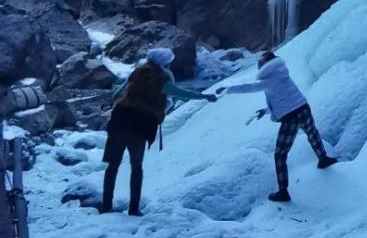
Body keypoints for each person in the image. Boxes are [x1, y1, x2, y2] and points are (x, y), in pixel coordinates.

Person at [100, 46, 203, 216]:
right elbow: (182, 94)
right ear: (165, 63)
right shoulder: (161, 79)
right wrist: (204, 97)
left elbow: (116, 94)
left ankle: (106, 206)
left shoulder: (136, 73)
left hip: (119, 121)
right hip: (139, 126)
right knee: (136, 167)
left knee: (112, 167)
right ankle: (133, 209)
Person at [227, 48, 335, 203]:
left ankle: (283, 192)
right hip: (304, 108)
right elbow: (282, 98)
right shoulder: (282, 74)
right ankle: (323, 159)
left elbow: (249, 87)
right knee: (312, 134)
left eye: (260, 64)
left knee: (280, 154)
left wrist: (229, 89)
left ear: (264, 66)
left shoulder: (268, 80)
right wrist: (265, 111)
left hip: (291, 118)